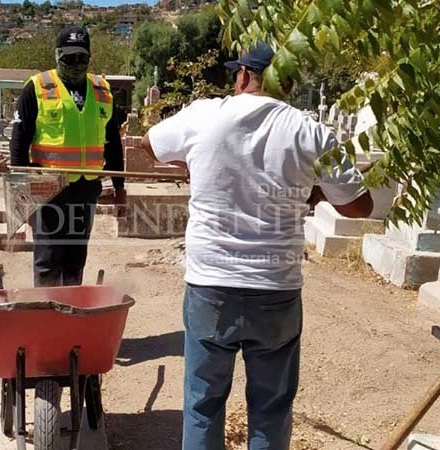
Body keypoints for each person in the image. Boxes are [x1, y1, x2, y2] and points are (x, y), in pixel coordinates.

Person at [141, 42, 374, 450]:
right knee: (270, 410)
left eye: (237, 73)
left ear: (245, 75)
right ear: (287, 84)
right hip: (275, 288)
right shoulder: (310, 132)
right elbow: (360, 206)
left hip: (211, 286)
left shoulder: (205, 115)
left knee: (202, 407)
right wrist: (314, 192)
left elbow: (149, 143)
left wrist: (195, 164)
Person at [10, 26, 126, 287]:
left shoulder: (102, 90)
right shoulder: (37, 87)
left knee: (76, 257)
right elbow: (19, 143)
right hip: (48, 189)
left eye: (82, 58)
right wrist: (20, 195)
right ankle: (47, 308)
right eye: (69, 57)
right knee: (48, 257)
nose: (76, 63)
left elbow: (113, 143)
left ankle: (70, 307)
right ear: (57, 55)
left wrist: (119, 188)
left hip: (86, 189)